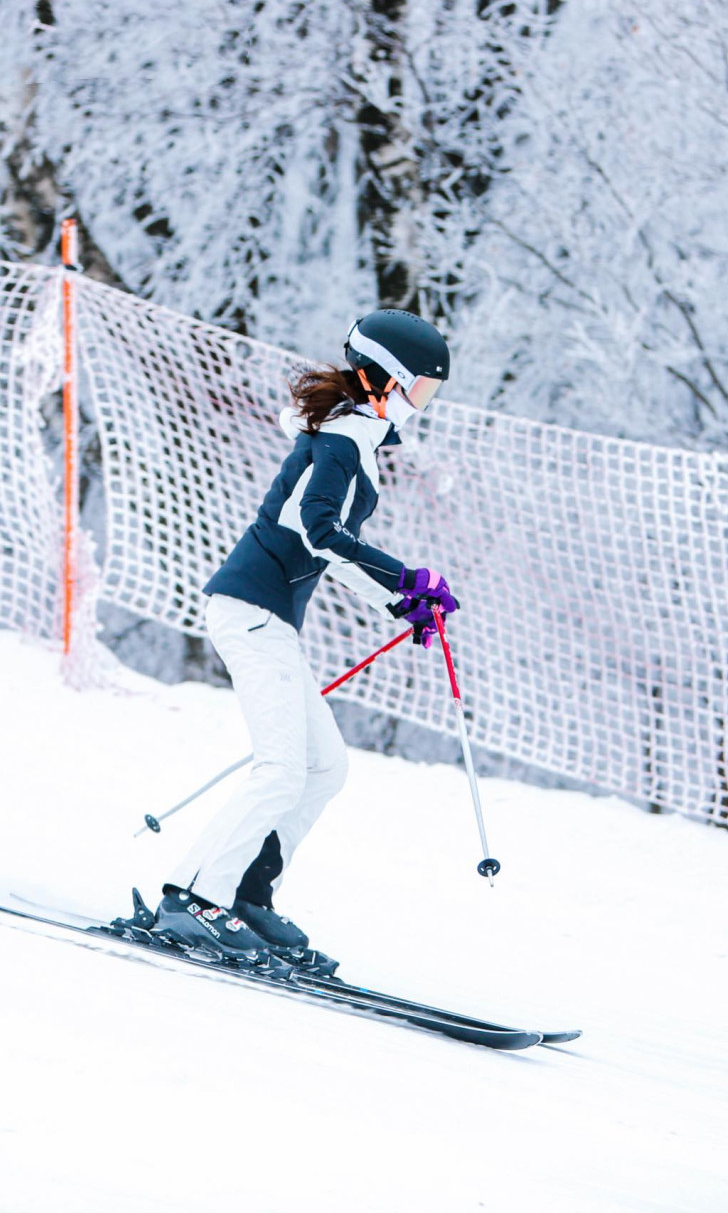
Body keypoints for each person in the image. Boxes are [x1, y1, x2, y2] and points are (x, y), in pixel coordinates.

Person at [152, 309, 458, 967]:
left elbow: (329, 550)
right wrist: (406, 580)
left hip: (269, 618)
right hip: (249, 609)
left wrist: (404, 602)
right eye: (420, 389)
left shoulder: (354, 437)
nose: (421, 406)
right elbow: (320, 533)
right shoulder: (343, 441)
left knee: (324, 768)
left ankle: (246, 895)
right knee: (282, 770)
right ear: (386, 380)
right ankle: (194, 898)